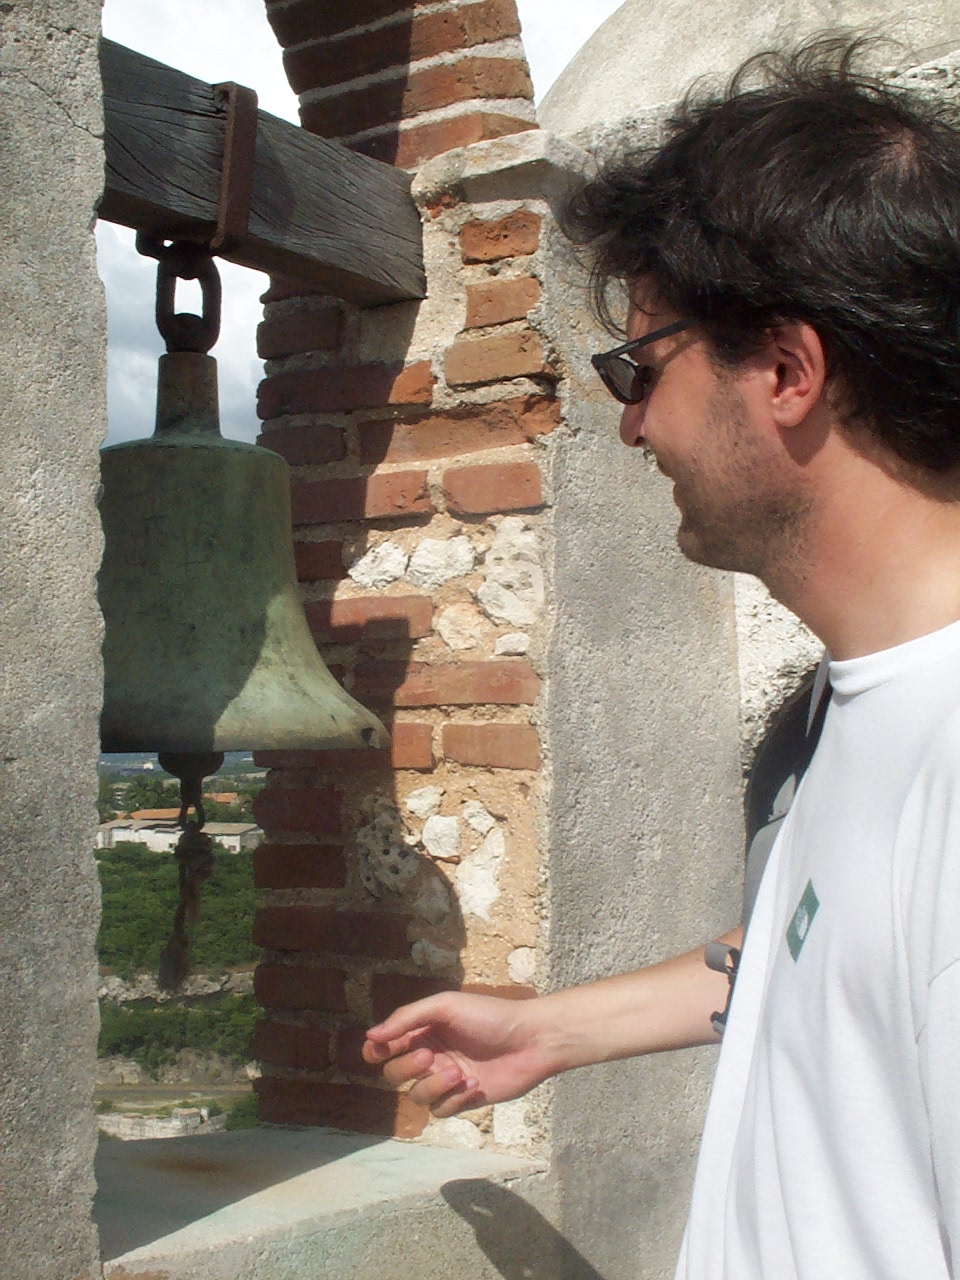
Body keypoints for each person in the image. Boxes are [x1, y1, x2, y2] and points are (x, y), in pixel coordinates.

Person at [365, 37, 960, 1279]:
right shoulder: (856, 703)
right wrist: (552, 1030)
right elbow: (824, 958)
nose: (632, 423)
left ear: (786, 371)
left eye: (641, 367)